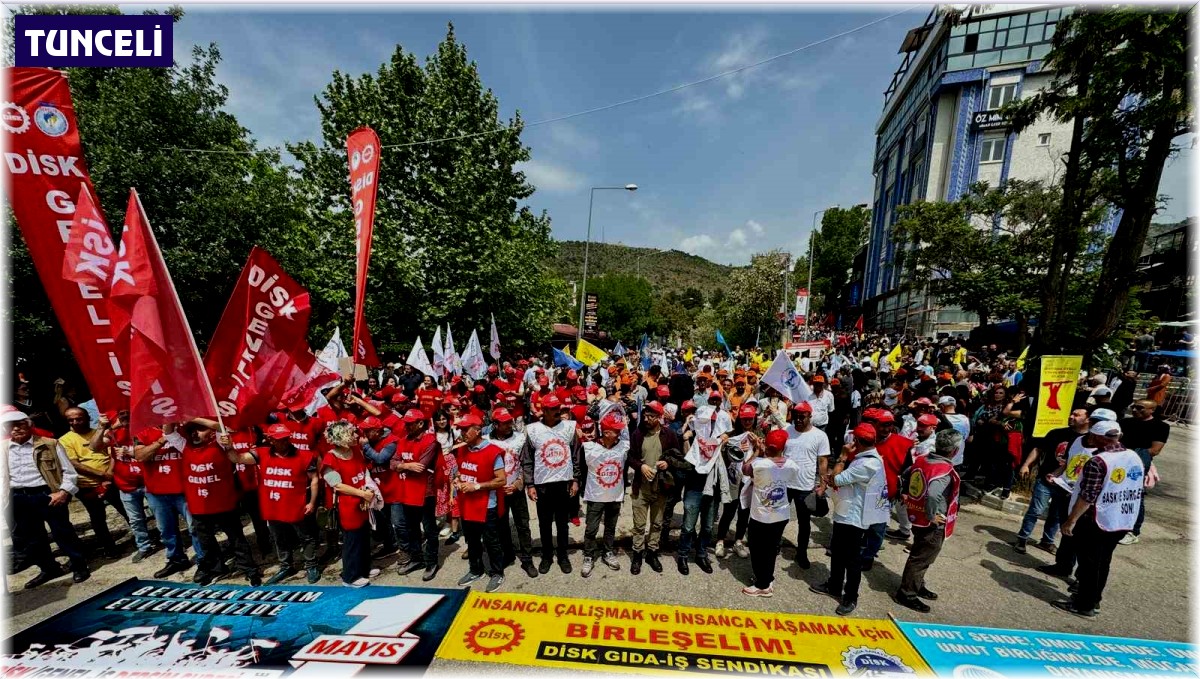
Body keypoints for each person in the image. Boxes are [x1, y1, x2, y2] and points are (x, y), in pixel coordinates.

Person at [1054, 420, 1143, 617]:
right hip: (1120, 518)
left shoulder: (1098, 461)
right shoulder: (1133, 456)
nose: (1089, 439)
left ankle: (1084, 605)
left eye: (1092, 436)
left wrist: (1071, 520)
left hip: (1096, 520)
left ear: (1098, 438)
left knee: (1089, 564)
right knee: (1103, 562)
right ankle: (1094, 599)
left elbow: (1088, 495)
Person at [1, 408, 90, 587]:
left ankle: (80, 566)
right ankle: (49, 568)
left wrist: (64, 492)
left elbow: (69, 472)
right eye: (10, 426)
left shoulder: (50, 443)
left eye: (19, 424)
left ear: (29, 425)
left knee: (63, 532)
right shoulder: (3, 448)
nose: (16, 429)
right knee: (32, 538)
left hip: (46, 494)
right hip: (18, 497)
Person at [171, 420, 260, 586]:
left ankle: (249, 569)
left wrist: (193, 417)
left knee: (236, 540)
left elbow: (220, 426)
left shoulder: (220, 443)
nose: (195, 433)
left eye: (200, 430)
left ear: (210, 433)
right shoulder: (184, 446)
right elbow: (168, 432)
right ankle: (216, 569)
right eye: (192, 431)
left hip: (224, 505)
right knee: (206, 542)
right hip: (199, 507)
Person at [811, 423, 887, 616]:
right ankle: (834, 585)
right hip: (845, 513)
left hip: (854, 518)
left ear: (858, 442)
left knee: (852, 560)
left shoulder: (868, 464)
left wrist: (843, 457)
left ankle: (851, 597)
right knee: (837, 552)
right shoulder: (864, 459)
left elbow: (835, 479)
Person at [231, 423, 320, 584]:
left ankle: (311, 564)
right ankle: (286, 565)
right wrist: (228, 447)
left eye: (286, 438)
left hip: (297, 506)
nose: (284, 442)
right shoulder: (262, 453)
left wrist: (312, 502)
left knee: (306, 537)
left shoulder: (304, 455)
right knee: (279, 538)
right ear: (270, 440)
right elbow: (237, 458)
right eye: (279, 439)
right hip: (272, 506)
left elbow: (314, 479)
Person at [894, 430, 962, 613]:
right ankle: (907, 593)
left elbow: (905, 475)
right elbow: (933, 494)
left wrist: (905, 493)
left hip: (916, 516)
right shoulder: (944, 470)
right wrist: (932, 515)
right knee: (922, 557)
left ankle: (917, 583)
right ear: (954, 451)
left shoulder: (922, 460)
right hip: (931, 522)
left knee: (920, 551)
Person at [57, 406, 129, 558]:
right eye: (71, 420)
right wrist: (102, 476)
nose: (75, 422)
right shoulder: (64, 440)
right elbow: (74, 464)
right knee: (97, 518)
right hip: (87, 486)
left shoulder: (100, 433)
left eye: (79, 418)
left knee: (126, 510)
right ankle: (109, 548)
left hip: (112, 481)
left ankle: (145, 538)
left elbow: (113, 453)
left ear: (88, 418)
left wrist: (109, 475)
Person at [132, 423, 202, 578]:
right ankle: (176, 560)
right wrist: (163, 439)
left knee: (195, 528)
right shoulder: (143, 431)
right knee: (166, 531)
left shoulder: (186, 429)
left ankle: (204, 562)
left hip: (186, 490)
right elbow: (140, 456)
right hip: (157, 491)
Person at [1015, 409, 1089, 555]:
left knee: (1055, 516)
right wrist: (1026, 465)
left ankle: (1047, 541)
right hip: (1046, 479)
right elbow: (1038, 449)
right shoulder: (1057, 433)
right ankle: (1022, 538)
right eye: (1071, 414)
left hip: (1068, 486)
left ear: (1088, 419)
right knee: (1035, 511)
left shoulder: (1090, 440)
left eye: (1076, 415)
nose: (1071, 417)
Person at [521, 395, 581, 574]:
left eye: (558, 408)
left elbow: (576, 455)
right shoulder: (532, 430)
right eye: (553, 409)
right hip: (542, 485)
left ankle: (563, 555)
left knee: (563, 523)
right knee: (544, 523)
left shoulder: (569, 428)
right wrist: (530, 484)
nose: (557, 412)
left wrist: (576, 479)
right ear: (544, 411)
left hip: (563, 483)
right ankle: (547, 556)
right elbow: (527, 459)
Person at [628, 400, 685, 574]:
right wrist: (640, 466)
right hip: (641, 488)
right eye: (645, 415)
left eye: (651, 416)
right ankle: (637, 553)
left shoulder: (669, 435)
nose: (646, 419)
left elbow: (678, 458)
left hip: (661, 488)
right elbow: (630, 457)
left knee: (657, 523)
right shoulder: (638, 434)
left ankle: (652, 552)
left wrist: (667, 463)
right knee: (638, 525)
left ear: (659, 417)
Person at [741, 429, 801, 597]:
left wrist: (758, 451)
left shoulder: (759, 464)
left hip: (761, 515)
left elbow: (745, 469)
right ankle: (768, 577)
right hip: (780, 513)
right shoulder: (791, 464)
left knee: (758, 548)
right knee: (771, 548)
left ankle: (762, 585)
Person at [321, 419, 380, 587]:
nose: (356, 436)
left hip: (363, 501)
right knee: (352, 540)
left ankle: (363, 568)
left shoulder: (355, 450)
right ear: (342, 436)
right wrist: (361, 493)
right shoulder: (330, 459)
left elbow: (363, 471)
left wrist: (369, 490)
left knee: (363, 535)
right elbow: (337, 485)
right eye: (352, 433)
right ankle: (350, 576)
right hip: (347, 505)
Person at [453, 412, 507, 593]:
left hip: (486, 506)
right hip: (467, 504)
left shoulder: (493, 452)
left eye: (465, 429)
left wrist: (476, 486)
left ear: (477, 430)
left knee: (492, 542)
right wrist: (458, 481)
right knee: (472, 541)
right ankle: (476, 570)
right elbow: (460, 473)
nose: (461, 432)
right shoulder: (461, 450)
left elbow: (501, 480)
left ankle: (497, 573)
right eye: (460, 429)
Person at [99, 410, 160, 563]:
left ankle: (169, 543)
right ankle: (144, 547)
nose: (125, 417)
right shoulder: (113, 433)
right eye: (121, 415)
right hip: (126, 485)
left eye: (127, 414)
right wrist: (106, 427)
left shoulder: (146, 429)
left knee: (161, 516)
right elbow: (95, 446)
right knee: (135, 519)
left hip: (150, 481)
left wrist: (130, 452)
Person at [392, 408, 442, 580]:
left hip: (425, 493)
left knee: (429, 529)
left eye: (410, 423)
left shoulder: (430, 441)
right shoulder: (402, 440)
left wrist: (402, 464)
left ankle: (431, 562)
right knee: (411, 528)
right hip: (407, 491)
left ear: (420, 423)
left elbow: (421, 467)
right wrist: (405, 466)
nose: (406, 426)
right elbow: (393, 463)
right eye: (405, 423)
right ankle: (416, 558)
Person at [488, 407, 536, 578]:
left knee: (523, 525)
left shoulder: (520, 439)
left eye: (510, 421)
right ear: (495, 424)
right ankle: (507, 554)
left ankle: (527, 559)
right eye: (505, 422)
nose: (510, 424)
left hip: (516, 490)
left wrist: (518, 484)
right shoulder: (488, 441)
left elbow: (527, 463)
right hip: (497, 492)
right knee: (501, 525)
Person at [580, 412, 629, 577]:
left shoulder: (623, 446)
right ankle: (588, 555)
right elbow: (579, 468)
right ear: (607, 432)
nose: (620, 432)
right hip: (596, 496)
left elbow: (627, 466)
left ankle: (608, 551)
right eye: (617, 430)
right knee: (591, 528)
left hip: (615, 495)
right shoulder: (589, 448)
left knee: (611, 526)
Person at [782, 402, 830, 569]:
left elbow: (823, 462)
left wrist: (822, 485)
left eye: (802, 416)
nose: (798, 419)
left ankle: (802, 552)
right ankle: (773, 545)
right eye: (795, 416)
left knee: (804, 522)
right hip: (785, 483)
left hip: (805, 486)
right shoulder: (787, 431)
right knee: (779, 517)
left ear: (810, 416)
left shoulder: (820, 436)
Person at [1117, 400, 1169, 545]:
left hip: (1138, 463)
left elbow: (1155, 449)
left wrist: (1131, 456)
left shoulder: (1161, 426)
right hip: (1118, 460)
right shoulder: (1125, 422)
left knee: (1135, 495)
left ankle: (1133, 531)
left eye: (1140, 408)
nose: (1135, 410)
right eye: (1133, 406)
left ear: (1152, 410)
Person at [714, 405, 758, 559]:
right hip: (733, 478)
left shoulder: (758, 435)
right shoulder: (731, 434)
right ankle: (720, 540)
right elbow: (722, 458)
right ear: (739, 418)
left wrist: (758, 446)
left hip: (750, 480)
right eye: (744, 418)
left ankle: (738, 541)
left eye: (750, 419)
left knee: (744, 512)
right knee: (729, 510)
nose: (747, 422)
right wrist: (736, 448)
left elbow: (768, 454)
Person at [360, 415, 403, 559]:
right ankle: (390, 546)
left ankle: (406, 550)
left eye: (367, 431)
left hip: (394, 487)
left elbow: (380, 458)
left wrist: (365, 447)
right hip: (379, 490)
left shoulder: (391, 441)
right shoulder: (369, 441)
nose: (364, 434)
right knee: (383, 522)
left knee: (398, 522)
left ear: (377, 431)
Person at [937, 396, 970, 469]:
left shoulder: (940, 419)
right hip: (958, 458)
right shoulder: (965, 419)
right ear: (955, 406)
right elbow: (968, 438)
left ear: (941, 406)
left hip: (942, 459)